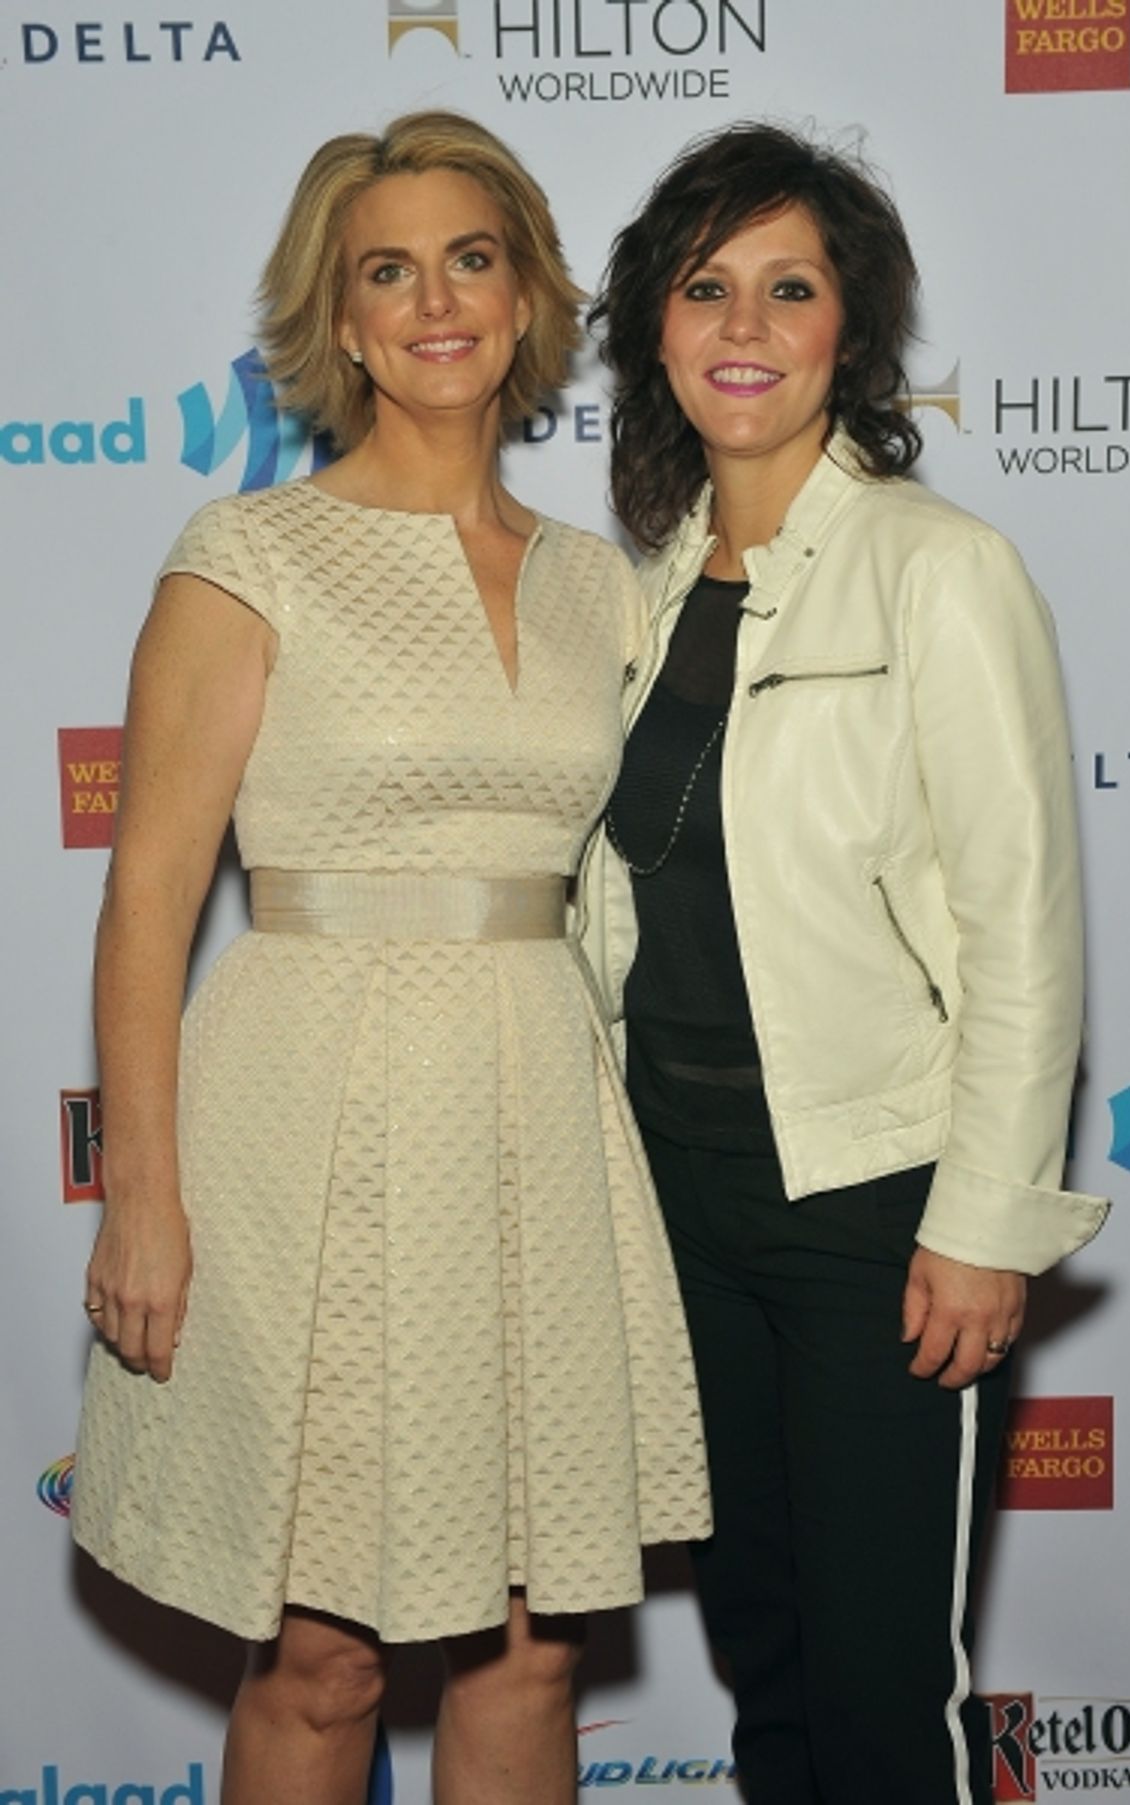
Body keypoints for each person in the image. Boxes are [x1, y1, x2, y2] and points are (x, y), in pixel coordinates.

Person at [71, 111, 709, 1805]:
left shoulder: (600, 586)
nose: (436, 299)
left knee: (530, 1637)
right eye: (388, 270)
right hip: (305, 1125)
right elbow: (146, 893)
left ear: (524, 299)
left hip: (534, 1121)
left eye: (472, 259)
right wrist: (140, 1186)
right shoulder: (248, 556)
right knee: (323, 1648)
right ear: (341, 321)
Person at [582, 122, 1108, 1805]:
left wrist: (981, 1219)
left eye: (788, 288)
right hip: (678, 1197)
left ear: (849, 332)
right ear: (656, 332)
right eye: (705, 285)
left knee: (882, 1685)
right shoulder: (641, 590)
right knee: (766, 1648)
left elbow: (1024, 925)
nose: (744, 325)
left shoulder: (941, 571)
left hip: (871, 1204)